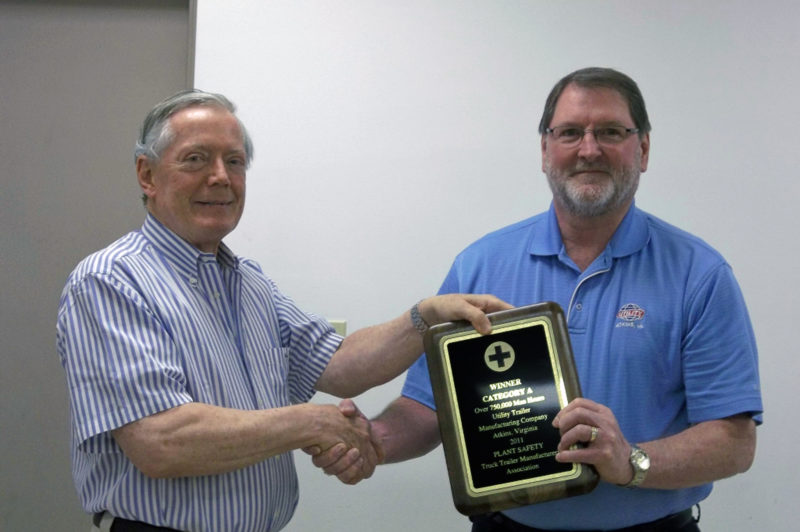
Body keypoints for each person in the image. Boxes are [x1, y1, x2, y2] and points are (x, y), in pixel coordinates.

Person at [311, 67, 763, 531]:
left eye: (610, 132)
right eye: (569, 133)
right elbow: (429, 406)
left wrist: (630, 460)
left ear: (643, 148)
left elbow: (733, 441)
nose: (589, 149)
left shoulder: (700, 275)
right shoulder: (479, 266)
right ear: (545, 150)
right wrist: (374, 439)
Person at [56, 89, 511, 532]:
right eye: (196, 159)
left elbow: (338, 364)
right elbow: (162, 441)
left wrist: (424, 318)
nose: (220, 177)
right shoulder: (111, 281)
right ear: (147, 174)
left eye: (234, 162)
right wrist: (313, 422)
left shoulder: (248, 282)